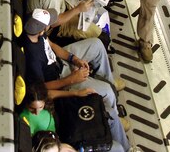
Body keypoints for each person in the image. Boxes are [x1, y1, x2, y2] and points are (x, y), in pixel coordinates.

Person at [22, 9, 129, 151]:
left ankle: (107, 83)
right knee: (107, 92)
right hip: (60, 81)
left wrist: (74, 59)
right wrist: (71, 80)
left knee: (97, 45)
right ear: (42, 29)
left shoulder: (39, 35)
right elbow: (42, 88)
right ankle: (107, 119)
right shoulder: (32, 58)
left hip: (59, 63)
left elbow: (53, 46)